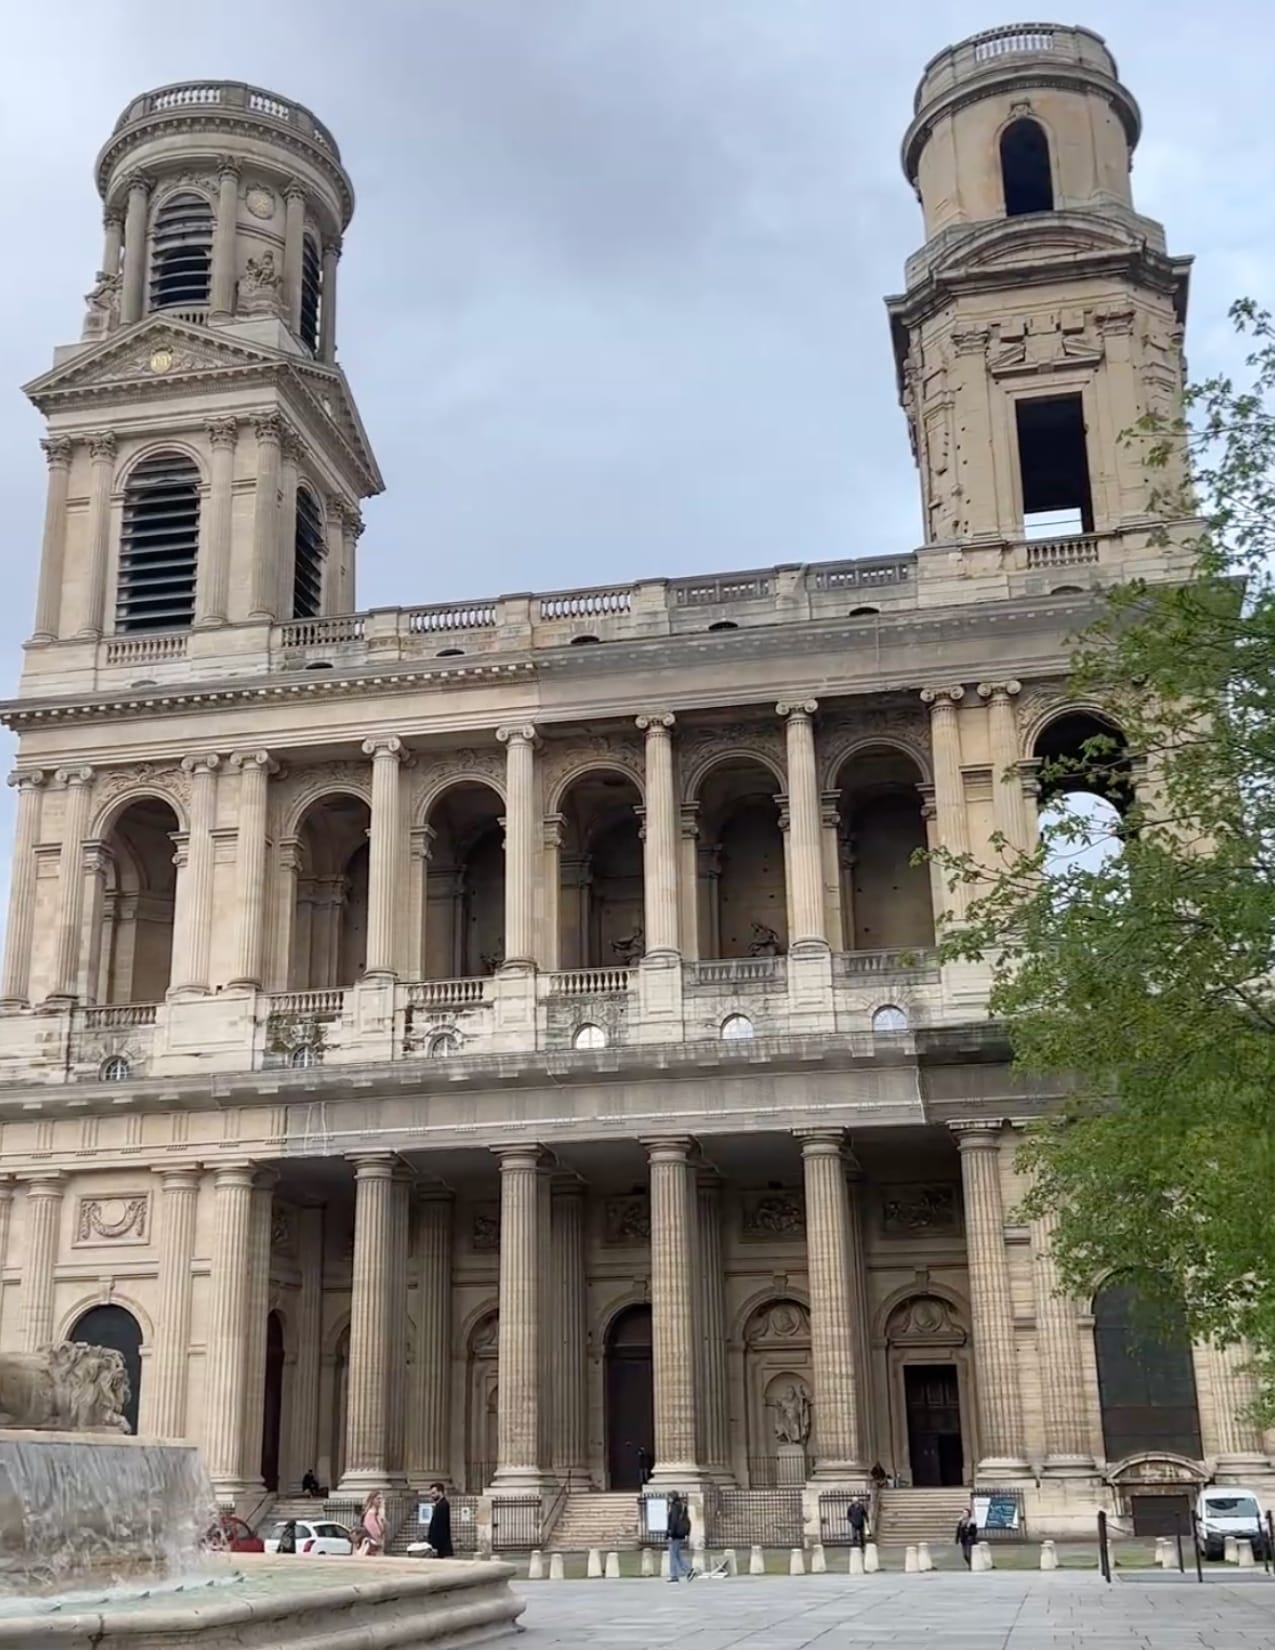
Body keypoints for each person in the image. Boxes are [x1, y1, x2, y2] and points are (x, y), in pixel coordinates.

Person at [666, 1492, 694, 1582]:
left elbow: (673, 1522)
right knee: (677, 1555)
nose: (668, 1499)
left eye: (669, 1497)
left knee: (673, 1555)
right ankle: (688, 1570)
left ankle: (674, 1575)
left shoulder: (675, 1507)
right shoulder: (681, 1506)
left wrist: (671, 1534)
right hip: (680, 1533)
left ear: (672, 1498)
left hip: (675, 1534)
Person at [425, 1481, 453, 1558]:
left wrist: (435, 1544)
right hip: (439, 1544)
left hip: (440, 1545)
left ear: (440, 1492)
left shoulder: (442, 1505)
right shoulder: (440, 1504)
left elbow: (439, 1526)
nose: (432, 1496)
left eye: (434, 1493)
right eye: (431, 1493)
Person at [358, 1490, 386, 1557]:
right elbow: (374, 1531)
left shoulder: (378, 1513)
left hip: (376, 1545)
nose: (380, 1501)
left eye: (381, 1499)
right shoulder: (371, 1513)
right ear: (373, 1500)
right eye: (378, 1498)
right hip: (372, 1546)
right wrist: (380, 1542)